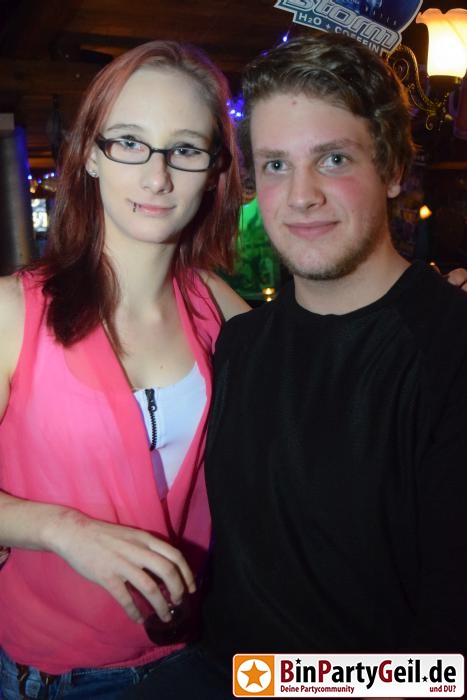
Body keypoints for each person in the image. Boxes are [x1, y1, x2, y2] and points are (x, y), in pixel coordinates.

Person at [130, 31, 467, 699]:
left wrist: (265, 684)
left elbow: (445, 663)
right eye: (276, 165)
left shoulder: (449, 351)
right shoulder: (240, 346)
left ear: (392, 169)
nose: (301, 195)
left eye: (333, 159)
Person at [0, 40, 248, 699]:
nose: (157, 177)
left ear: (214, 171)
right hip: (57, 676)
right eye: (131, 143)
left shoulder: (218, 306)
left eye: (185, 149)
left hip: (196, 657)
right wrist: (59, 529)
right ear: (90, 153)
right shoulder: (11, 312)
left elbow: (320, 387)